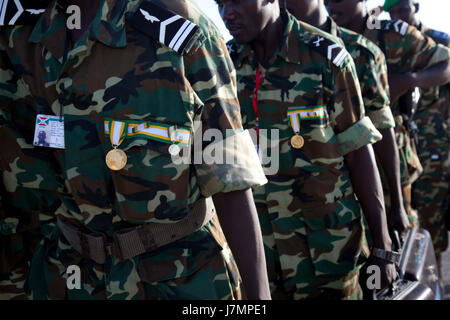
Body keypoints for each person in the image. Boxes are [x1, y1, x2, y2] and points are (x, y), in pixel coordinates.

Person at [0, 0, 271, 300]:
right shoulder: (18, 36)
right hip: (70, 279)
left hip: (182, 279)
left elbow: (230, 183)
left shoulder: (178, 29)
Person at [218, 0, 397, 299]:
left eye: (236, 1)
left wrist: (383, 245)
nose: (226, 14)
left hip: (328, 252)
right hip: (259, 259)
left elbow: (358, 152)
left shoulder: (326, 56)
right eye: (219, 3)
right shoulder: (223, 65)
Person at [286, 0, 409, 242]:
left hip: (360, 197)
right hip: (302, 209)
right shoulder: (265, 55)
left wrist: (397, 203)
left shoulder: (359, 52)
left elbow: (383, 132)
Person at [326, 0, 450, 229]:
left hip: (390, 158)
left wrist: (407, 81)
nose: (331, 5)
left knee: (401, 237)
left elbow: (446, 64)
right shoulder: (318, 38)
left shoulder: (390, 34)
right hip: (337, 161)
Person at [386, 0, 450, 270]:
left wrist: (410, 79)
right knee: (409, 220)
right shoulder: (387, 40)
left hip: (435, 145)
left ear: (416, 6)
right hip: (401, 148)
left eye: (403, 9)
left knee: (433, 221)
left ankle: (431, 277)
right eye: (393, 11)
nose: (399, 15)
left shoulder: (438, 42)